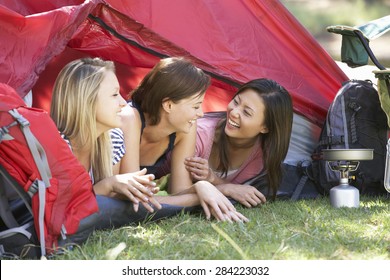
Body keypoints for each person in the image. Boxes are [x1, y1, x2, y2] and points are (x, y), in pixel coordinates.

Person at [50, 57, 189, 230]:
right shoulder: (57, 147)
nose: (123, 103)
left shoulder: (112, 140)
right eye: (115, 95)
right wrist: (108, 185)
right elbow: (59, 211)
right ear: (87, 100)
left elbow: (113, 203)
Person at [114, 57, 248, 222]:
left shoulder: (185, 128)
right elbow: (136, 200)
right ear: (168, 105)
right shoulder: (129, 118)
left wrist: (203, 186)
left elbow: (178, 191)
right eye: (195, 106)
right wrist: (204, 193)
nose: (200, 113)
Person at [184, 78, 293, 207]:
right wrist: (225, 188)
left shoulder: (262, 153)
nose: (234, 112)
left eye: (246, 112)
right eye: (236, 102)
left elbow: (238, 190)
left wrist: (213, 179)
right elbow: (177, 193)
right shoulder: (200, 134)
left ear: (265, 127)